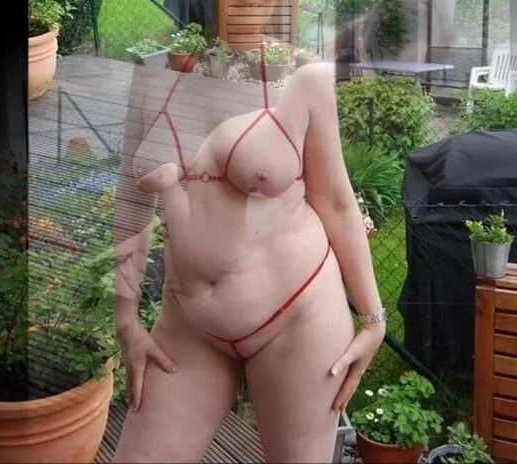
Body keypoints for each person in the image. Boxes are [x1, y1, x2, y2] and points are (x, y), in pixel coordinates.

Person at [111, 43, 386, 463]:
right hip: (187, 323)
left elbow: (334, 200)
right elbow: (132, 202)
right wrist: (126, 321)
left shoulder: (302, 76)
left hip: (298, 315)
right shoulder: (152, 72)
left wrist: (373, 320)